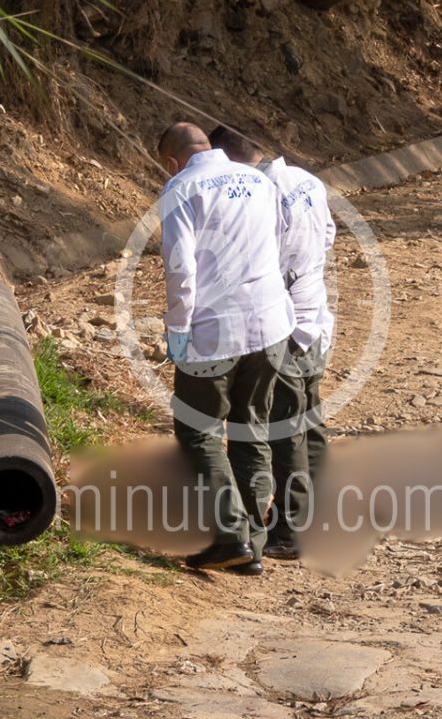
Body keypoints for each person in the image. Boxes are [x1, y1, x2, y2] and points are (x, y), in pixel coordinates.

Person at [154, 122, 297, 576]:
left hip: (215, 331)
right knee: (250, 428)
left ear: (172, 161)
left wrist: (177, 329)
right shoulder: (258, 179)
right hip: (271, 322)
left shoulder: (180, 187)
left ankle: (231, 534)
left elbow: (180, 270)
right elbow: (276, 245)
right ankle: (252, 543)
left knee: (197, 432)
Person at [207, 126, 335, 561]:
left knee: (284, 428)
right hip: (314, 316)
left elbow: (259, 259)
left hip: (284, 324)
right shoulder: (307, 181)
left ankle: (291, 529)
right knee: (308, 418)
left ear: (228, 160)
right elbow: (329, 236)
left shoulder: (261, 194)